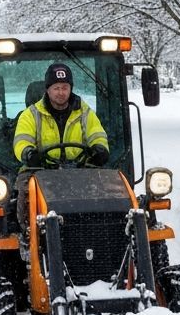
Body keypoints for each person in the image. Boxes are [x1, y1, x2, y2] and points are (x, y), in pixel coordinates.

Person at [12, 62, 110, 231]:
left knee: (105, 188)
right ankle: (29, 233)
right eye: (56, 88)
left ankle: (98, 232)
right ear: (48, 89)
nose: (61, 92)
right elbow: (22, 140)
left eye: (65, 88)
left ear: (70, 89)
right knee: (26, 189)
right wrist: (28, 153)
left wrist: (100, 149)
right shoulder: (31, 114)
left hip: (80, 167)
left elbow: (97, 134)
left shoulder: (85, 112)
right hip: (40, 168)